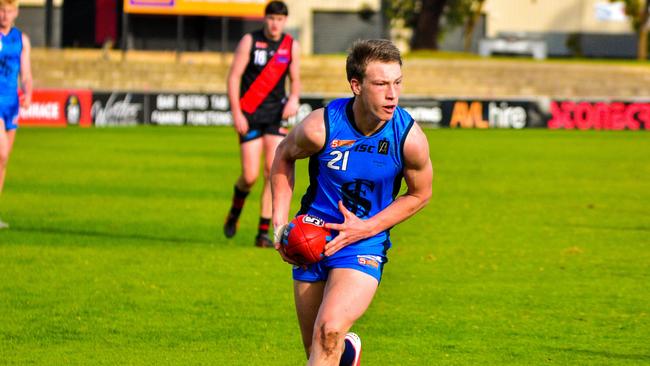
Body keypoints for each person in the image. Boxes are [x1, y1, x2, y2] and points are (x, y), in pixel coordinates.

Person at [271, 39, 433, 365]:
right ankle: (348, 354)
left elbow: (420, 193)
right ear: (356, 85)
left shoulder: (408, 138)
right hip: (312, 240)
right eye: (381, 84)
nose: (392, 94)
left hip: (364, 245)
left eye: (397, 83)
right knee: (319, 349)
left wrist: (366, 228)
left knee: (328, 330)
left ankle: (339, 347)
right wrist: (279, 225)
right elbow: (283, 156)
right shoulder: (321, 128)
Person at [224, 0, 300, 247]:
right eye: (271, 18)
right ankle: (235, 212)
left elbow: (295, 79)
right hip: (250, 114)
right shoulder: (249, 41)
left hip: (275, 115)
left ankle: (263, 233)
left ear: (284, 21)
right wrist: (236, 113)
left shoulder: (291, 46)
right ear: (264, 19)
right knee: (249, 175)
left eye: (279, 19)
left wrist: (294, 99)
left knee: (272, 171)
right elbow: (234, 77)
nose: (274, 23)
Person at [0, 0, 32, 229]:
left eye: (9, 10)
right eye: (1, 10)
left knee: (3, 161)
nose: (5, 15)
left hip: (12, 102)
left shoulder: (22, 39)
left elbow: (26, 72)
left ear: (16, 12)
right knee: (1, 153)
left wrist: (28, 92)